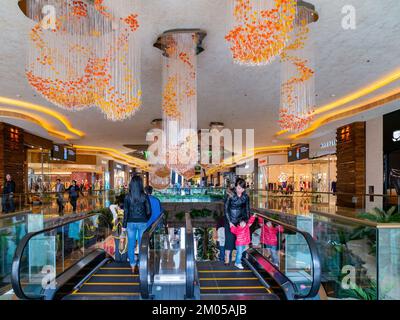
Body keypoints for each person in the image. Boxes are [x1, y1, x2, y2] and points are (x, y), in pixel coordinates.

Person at [122, 175, 151, 274]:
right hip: (142, 222)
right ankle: (140, 264)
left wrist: (124, 225)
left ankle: (132, 265)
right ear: (140, 184)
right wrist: (145, 219)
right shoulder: (144, 196)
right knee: (142, 244)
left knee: (131, 244)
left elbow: (125, 212)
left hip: (130, 223)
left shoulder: (127, 197)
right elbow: (149, 211)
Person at [223, 178, 251, 265]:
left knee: (241, 240)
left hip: (240, 221)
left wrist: (245, 221)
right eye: (238, 188)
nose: (240, 190)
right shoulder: (230, 194)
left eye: (242, 189)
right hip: (230, 220)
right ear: (235, 187)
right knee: (229, 239)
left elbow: (247, 210)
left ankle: (240, 258)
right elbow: (226, 209)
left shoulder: (245, 197)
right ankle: (227, 257)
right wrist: (229, 222)